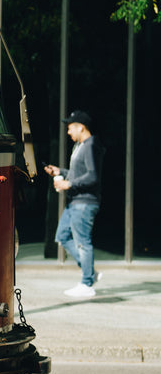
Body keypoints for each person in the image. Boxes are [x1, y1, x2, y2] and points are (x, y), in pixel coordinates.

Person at [44, 110, 105, 298]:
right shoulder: (79, 146)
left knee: (82, 243)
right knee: (62, 236)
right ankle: (90, 273)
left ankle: (87, 284)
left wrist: (68, 183)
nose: (68, 132)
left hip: (85, 203)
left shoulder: (91, 144)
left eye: (70, 127)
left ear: (81, 127)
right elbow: (79, 172)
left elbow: (92, 175)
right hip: (75, 201)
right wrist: (60, 171)